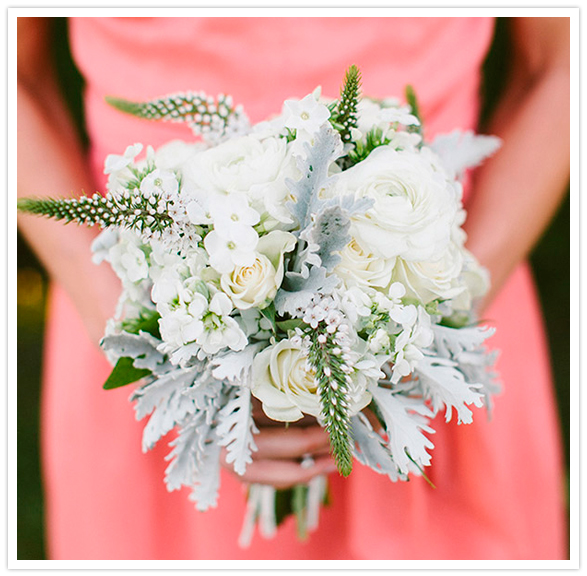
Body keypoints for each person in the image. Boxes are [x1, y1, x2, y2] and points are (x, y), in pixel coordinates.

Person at [17, 16, 569, 560]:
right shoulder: (140, 310)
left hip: (428, 307)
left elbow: (563, 59)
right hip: (149, 308)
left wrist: (430, 317)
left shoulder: (428, 312)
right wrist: (135, 324)